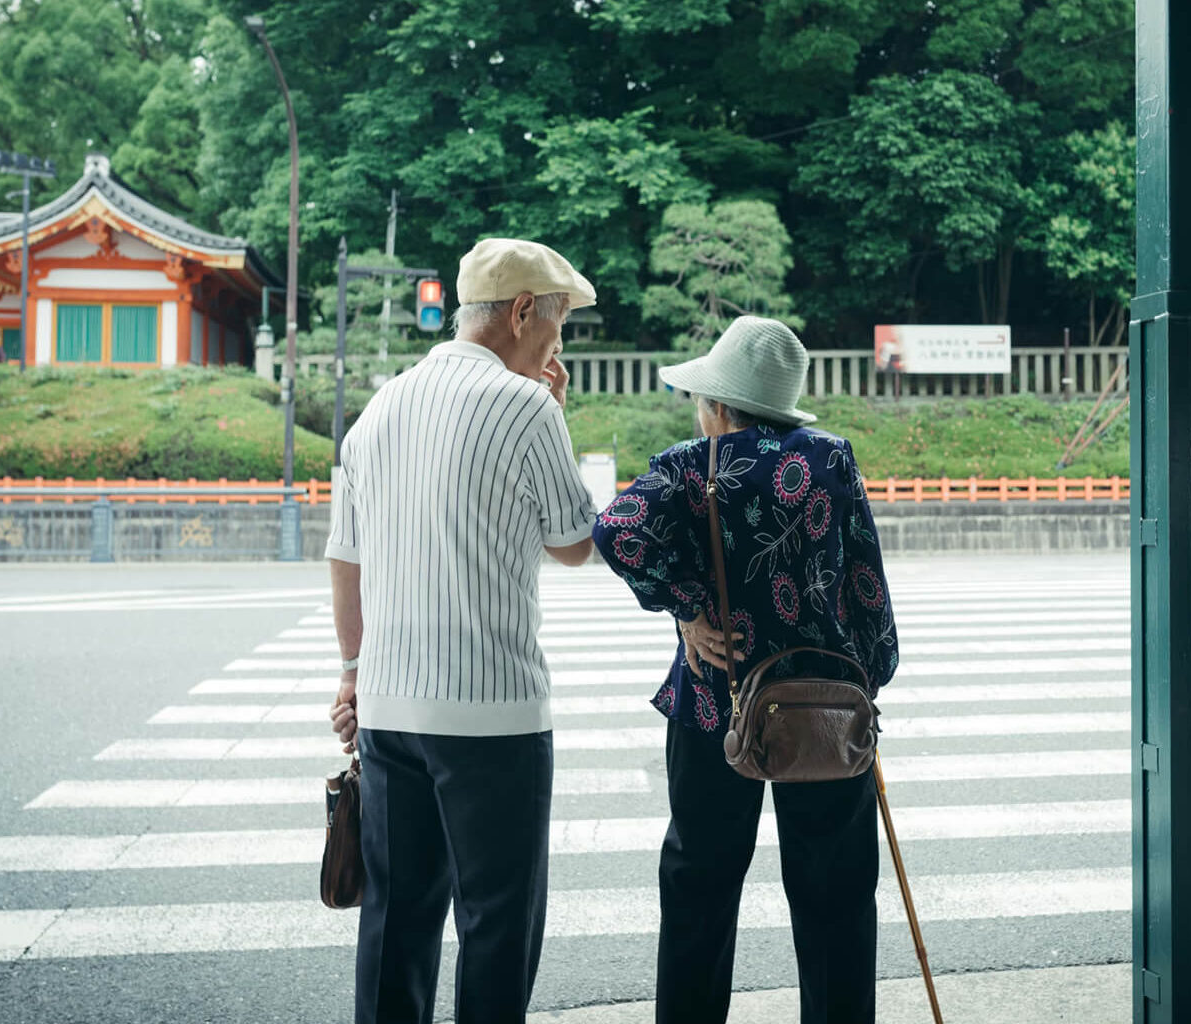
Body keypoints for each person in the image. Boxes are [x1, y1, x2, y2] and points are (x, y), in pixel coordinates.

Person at [591, 316, 900, 1024]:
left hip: (715, 700)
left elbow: (616, 532)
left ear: (720, 404)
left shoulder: (689, 463)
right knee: (837, 895)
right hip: (826, 704)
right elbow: (865, 578)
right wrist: (873, 674)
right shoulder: (829, 458)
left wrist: (686, 609)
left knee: (701, 881)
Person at [326, 238, 600, 1024]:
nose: (557, 350)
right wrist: (555, 412)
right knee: (496, 924)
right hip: (492, 715)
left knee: (395, 920)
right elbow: (574, 544)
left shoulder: (380, 405)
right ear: (521, 314)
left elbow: (345, 559)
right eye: (555, 331)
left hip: (387, 708)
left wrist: (353, 671)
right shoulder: (526, 407)